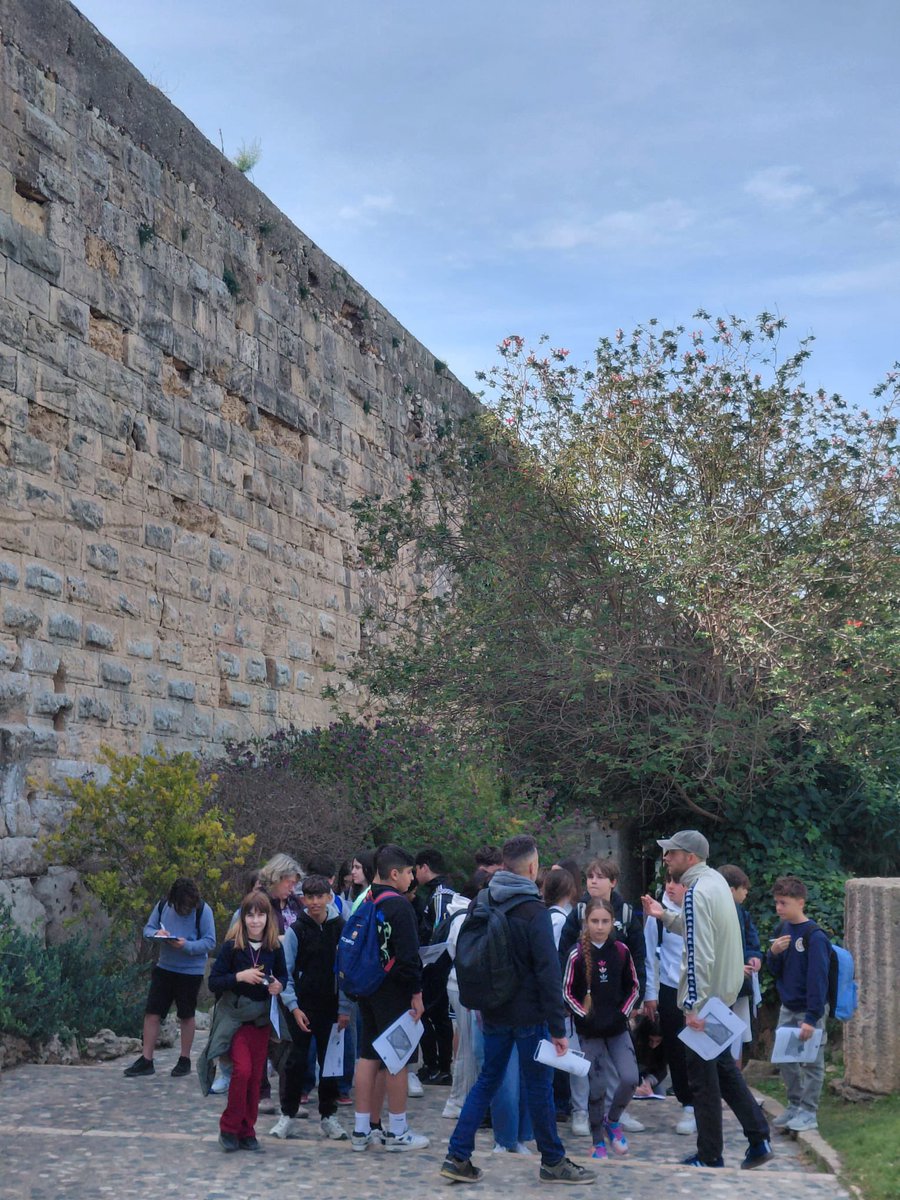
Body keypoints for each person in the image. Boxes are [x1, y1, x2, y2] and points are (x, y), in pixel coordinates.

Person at [440, 834, 596, 1185]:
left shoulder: (484, 901)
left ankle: (457, 1155)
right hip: (529, 1015)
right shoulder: (533, 911)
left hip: (493, 1011)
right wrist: (558, 1029)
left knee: (487, 1080)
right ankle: (553, 1161)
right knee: (538, 1086)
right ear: (531, 868)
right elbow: (547, 972)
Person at [642, 830, 773, 1170]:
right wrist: (665, 917)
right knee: (724, 1071)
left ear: (690, 856)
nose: (666, 859)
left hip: (707, 1000)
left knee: (703, 1080)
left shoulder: (697, 891)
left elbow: (698, 954)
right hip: (722, 997)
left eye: (671, 852)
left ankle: (710, 1154)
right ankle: (758, 1137)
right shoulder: (714, 882)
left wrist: (692, 1008)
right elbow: (699, 930)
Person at [558, 857, 646, 1137]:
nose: (593, 881)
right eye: (589, 876)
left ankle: (614, 1112)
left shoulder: (628, 915)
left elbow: (638, 959)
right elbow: (563, 954)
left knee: (615, 1066)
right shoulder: (578, 912)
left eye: (599, 876)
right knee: (584, 1061)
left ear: (613, 881)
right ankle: (581, 1111)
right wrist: (569, 1001)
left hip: (616, 1003)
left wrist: (635, 1001)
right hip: (584, 1003)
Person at [351, 843, 429, 1152]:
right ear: (394, 873)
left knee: (367, 1057)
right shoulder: (399, 906)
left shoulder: (366, 899)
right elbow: (409, 957)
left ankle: (361, 1130)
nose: (412, 877)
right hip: (395, 992)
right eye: (409, 872)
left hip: (367, 988)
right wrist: (417, 993)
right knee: (399, 1059)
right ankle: (398, 1131)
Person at [204, 892, 287, 1152]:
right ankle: (228, 1127)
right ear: (243, 917)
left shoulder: (274, 947)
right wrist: (239, 976)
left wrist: (277, 986)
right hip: (236, 1020)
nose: (255, 920)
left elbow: (283, 976)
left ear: (267, 918)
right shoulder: (232, 947)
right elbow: (214, 982)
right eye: (250, 915)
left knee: (255, 1078)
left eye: (260, 915)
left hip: (261, 1020)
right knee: (242, 1071)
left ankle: (247, 1129)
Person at [270, 874, 350, 1141]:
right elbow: (286, 973)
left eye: (320, 897)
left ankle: (329, 1116)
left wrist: (345, 1008)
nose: (315, 902)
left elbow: (346, 971)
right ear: (303, 899)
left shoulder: (341, 926)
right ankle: (288, 1114)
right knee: (295, 1062)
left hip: (332, 1006)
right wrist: (293, 1006)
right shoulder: (296, 930)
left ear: (329, 897)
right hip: (302, 1008)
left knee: (330, 1064)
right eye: (310, 897)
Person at [562, 898, 640, 1160]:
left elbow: (633, 987)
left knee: (630, 1078)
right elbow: (567, 992)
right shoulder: (576, 955)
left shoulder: (621, 951)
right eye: (594, 921)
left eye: (605, 921)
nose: (599, 926)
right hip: (590, 1032)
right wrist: (584, 1016)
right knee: (596, 1088)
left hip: (617, 1029)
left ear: (612, 922)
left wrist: (623, 1014)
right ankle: (597, 1141)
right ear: (586, 923)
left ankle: (613, 1120)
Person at [123, 877, 216, 1079]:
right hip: (165, 967)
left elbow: (210, 942)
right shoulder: (163, 905)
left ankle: (184, 1059)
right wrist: (158, 933)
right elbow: (147, 929)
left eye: (187, 907)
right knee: (152, 1013)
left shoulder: (203, 910)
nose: (184, 910)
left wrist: (187, 946)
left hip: (191, 971)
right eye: (181, 906)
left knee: (187, 1014)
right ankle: (146, 1059)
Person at [766, 875, 831, 1133]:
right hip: (788, 1005)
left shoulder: (814, 936)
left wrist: (812, 1018)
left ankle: (809, 1111)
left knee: (812, 1061)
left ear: (800, 902)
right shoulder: (781, 931)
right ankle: (794, 1103)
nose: (779, 908)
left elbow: (819, 978)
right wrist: (773, 954)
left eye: (783, 903)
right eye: (777, 903)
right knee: (785, 1058)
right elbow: (775, 971)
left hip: (809, 1008)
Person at [643, 873, 695, 1134]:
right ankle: (687, 1103)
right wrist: (650, 993)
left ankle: (702, 1101)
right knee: (675, 1048)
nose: (671, 887)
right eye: (669, 882)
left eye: (678, 883)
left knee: (699, 1049)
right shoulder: (657, 916)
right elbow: (650, 954)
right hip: (670, 988)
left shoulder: (699, 911)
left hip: (697, 990)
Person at [414, 847, 456, 1084]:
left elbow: (440, 933)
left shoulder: (440, 895)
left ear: (424, 868)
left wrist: (428, 962)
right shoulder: (441, 892)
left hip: (437, 967)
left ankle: (438, 1066)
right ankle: (437, 1065)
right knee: (436, 1016)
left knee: (433, 1015)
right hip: (438, 966)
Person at [718, 864, 762, 1066]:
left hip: (740, 986)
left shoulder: (742, 913)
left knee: (739, 1032)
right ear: (731, 889)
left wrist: (754, 958)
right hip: (719, 985)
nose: (746, 893)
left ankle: (736, 1081)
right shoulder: (714, 912)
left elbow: (751, 940)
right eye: (743, 888)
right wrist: (734, 969)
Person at [259, 854, 303, 934]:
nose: (292, 889)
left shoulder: (296, 903)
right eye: (290, 883)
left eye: (294, 884)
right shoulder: (257, 903)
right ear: (277, 878)